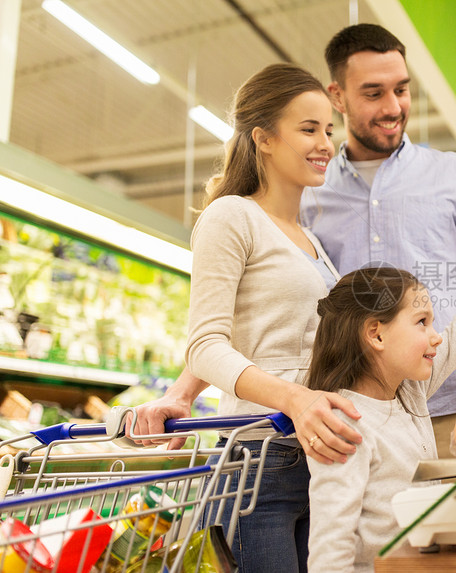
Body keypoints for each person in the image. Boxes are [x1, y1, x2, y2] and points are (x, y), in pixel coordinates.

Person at [301, 23, 456, 456]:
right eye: (373, 93)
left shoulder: (454, 175)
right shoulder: (310, 192)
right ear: (337, 96)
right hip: (353, 415)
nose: (393, 107)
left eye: (401, 89)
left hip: (453, 413)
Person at [169, 62, 363, 573]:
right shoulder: (232, 216)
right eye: (308, 129)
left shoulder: (311, 241)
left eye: (328, 129)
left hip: (314, 459)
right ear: (264, 138)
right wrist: (295, 399)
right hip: (255, 463)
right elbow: (206, 344)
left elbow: (260, 330)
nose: (325, 142)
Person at [304, 237, 456, 572]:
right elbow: (329, 550)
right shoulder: (344, 424)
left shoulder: (409, 394)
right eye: (422, 322)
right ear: (376, 334)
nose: (436, 336)